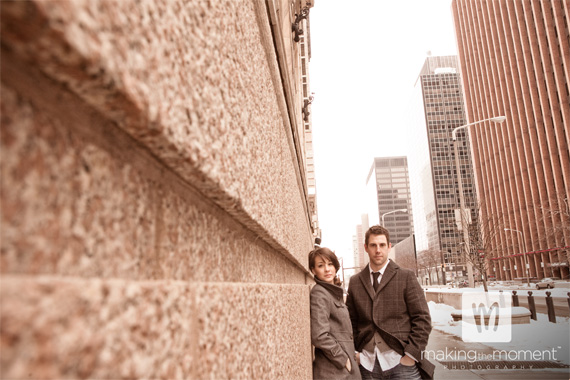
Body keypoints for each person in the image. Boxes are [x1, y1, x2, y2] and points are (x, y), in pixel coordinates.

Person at [346, 225, 434, 380]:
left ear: (389, 246)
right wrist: (355, 354)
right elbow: (350, 322)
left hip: (401, 362)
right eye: (373, 245)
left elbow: (422, 319)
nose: (378, 250)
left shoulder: (406, 277)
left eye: (382, 245)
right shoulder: (355, 282)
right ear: (366, 248)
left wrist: (411, 355)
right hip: (367, 363)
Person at [309, 247, 362, 380]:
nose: (327, 269)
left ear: (335, 267)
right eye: (321, 266)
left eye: (330, 264)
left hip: (343, 370)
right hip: (334, 371)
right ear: (313, 270)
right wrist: (343, 359)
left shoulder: (333, 292)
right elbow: (319, 335)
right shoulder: (319, 293)